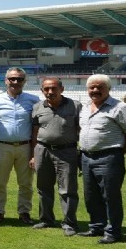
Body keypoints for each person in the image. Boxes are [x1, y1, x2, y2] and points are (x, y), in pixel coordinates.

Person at [78, 74, 126, 244]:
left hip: (109, 157)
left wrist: (123, 148)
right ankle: (96, 226)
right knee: (91, 195)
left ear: (108, 89)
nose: (95, 90)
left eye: (100, 87)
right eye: (92, 87)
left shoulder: (120, 108)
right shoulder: (85, 108)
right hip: (86, 157)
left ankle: (113, 231)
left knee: (110, 196)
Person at [0, 67, 39, 225]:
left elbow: (38, 126)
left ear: (25, 81)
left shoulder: (34, 100)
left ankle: (24, 212)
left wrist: (34, 151)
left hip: (25, 147)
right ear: (6, 80)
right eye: (12, 79)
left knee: (26, 183)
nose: (15, 82)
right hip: (2, 146)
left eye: (20, 79)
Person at [30, 77, 81, 236]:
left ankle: (69, 223)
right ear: (42, 91)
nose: (50, 92)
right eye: (46, 89)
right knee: (43, 187)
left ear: (62, 89)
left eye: (54, 88)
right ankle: (46, 219)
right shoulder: (37, 107)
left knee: (67, 189)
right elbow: (35, 132)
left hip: (66, 152)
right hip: (42, 150)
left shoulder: (75, 106)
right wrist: (33, 155)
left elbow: (81, 129)